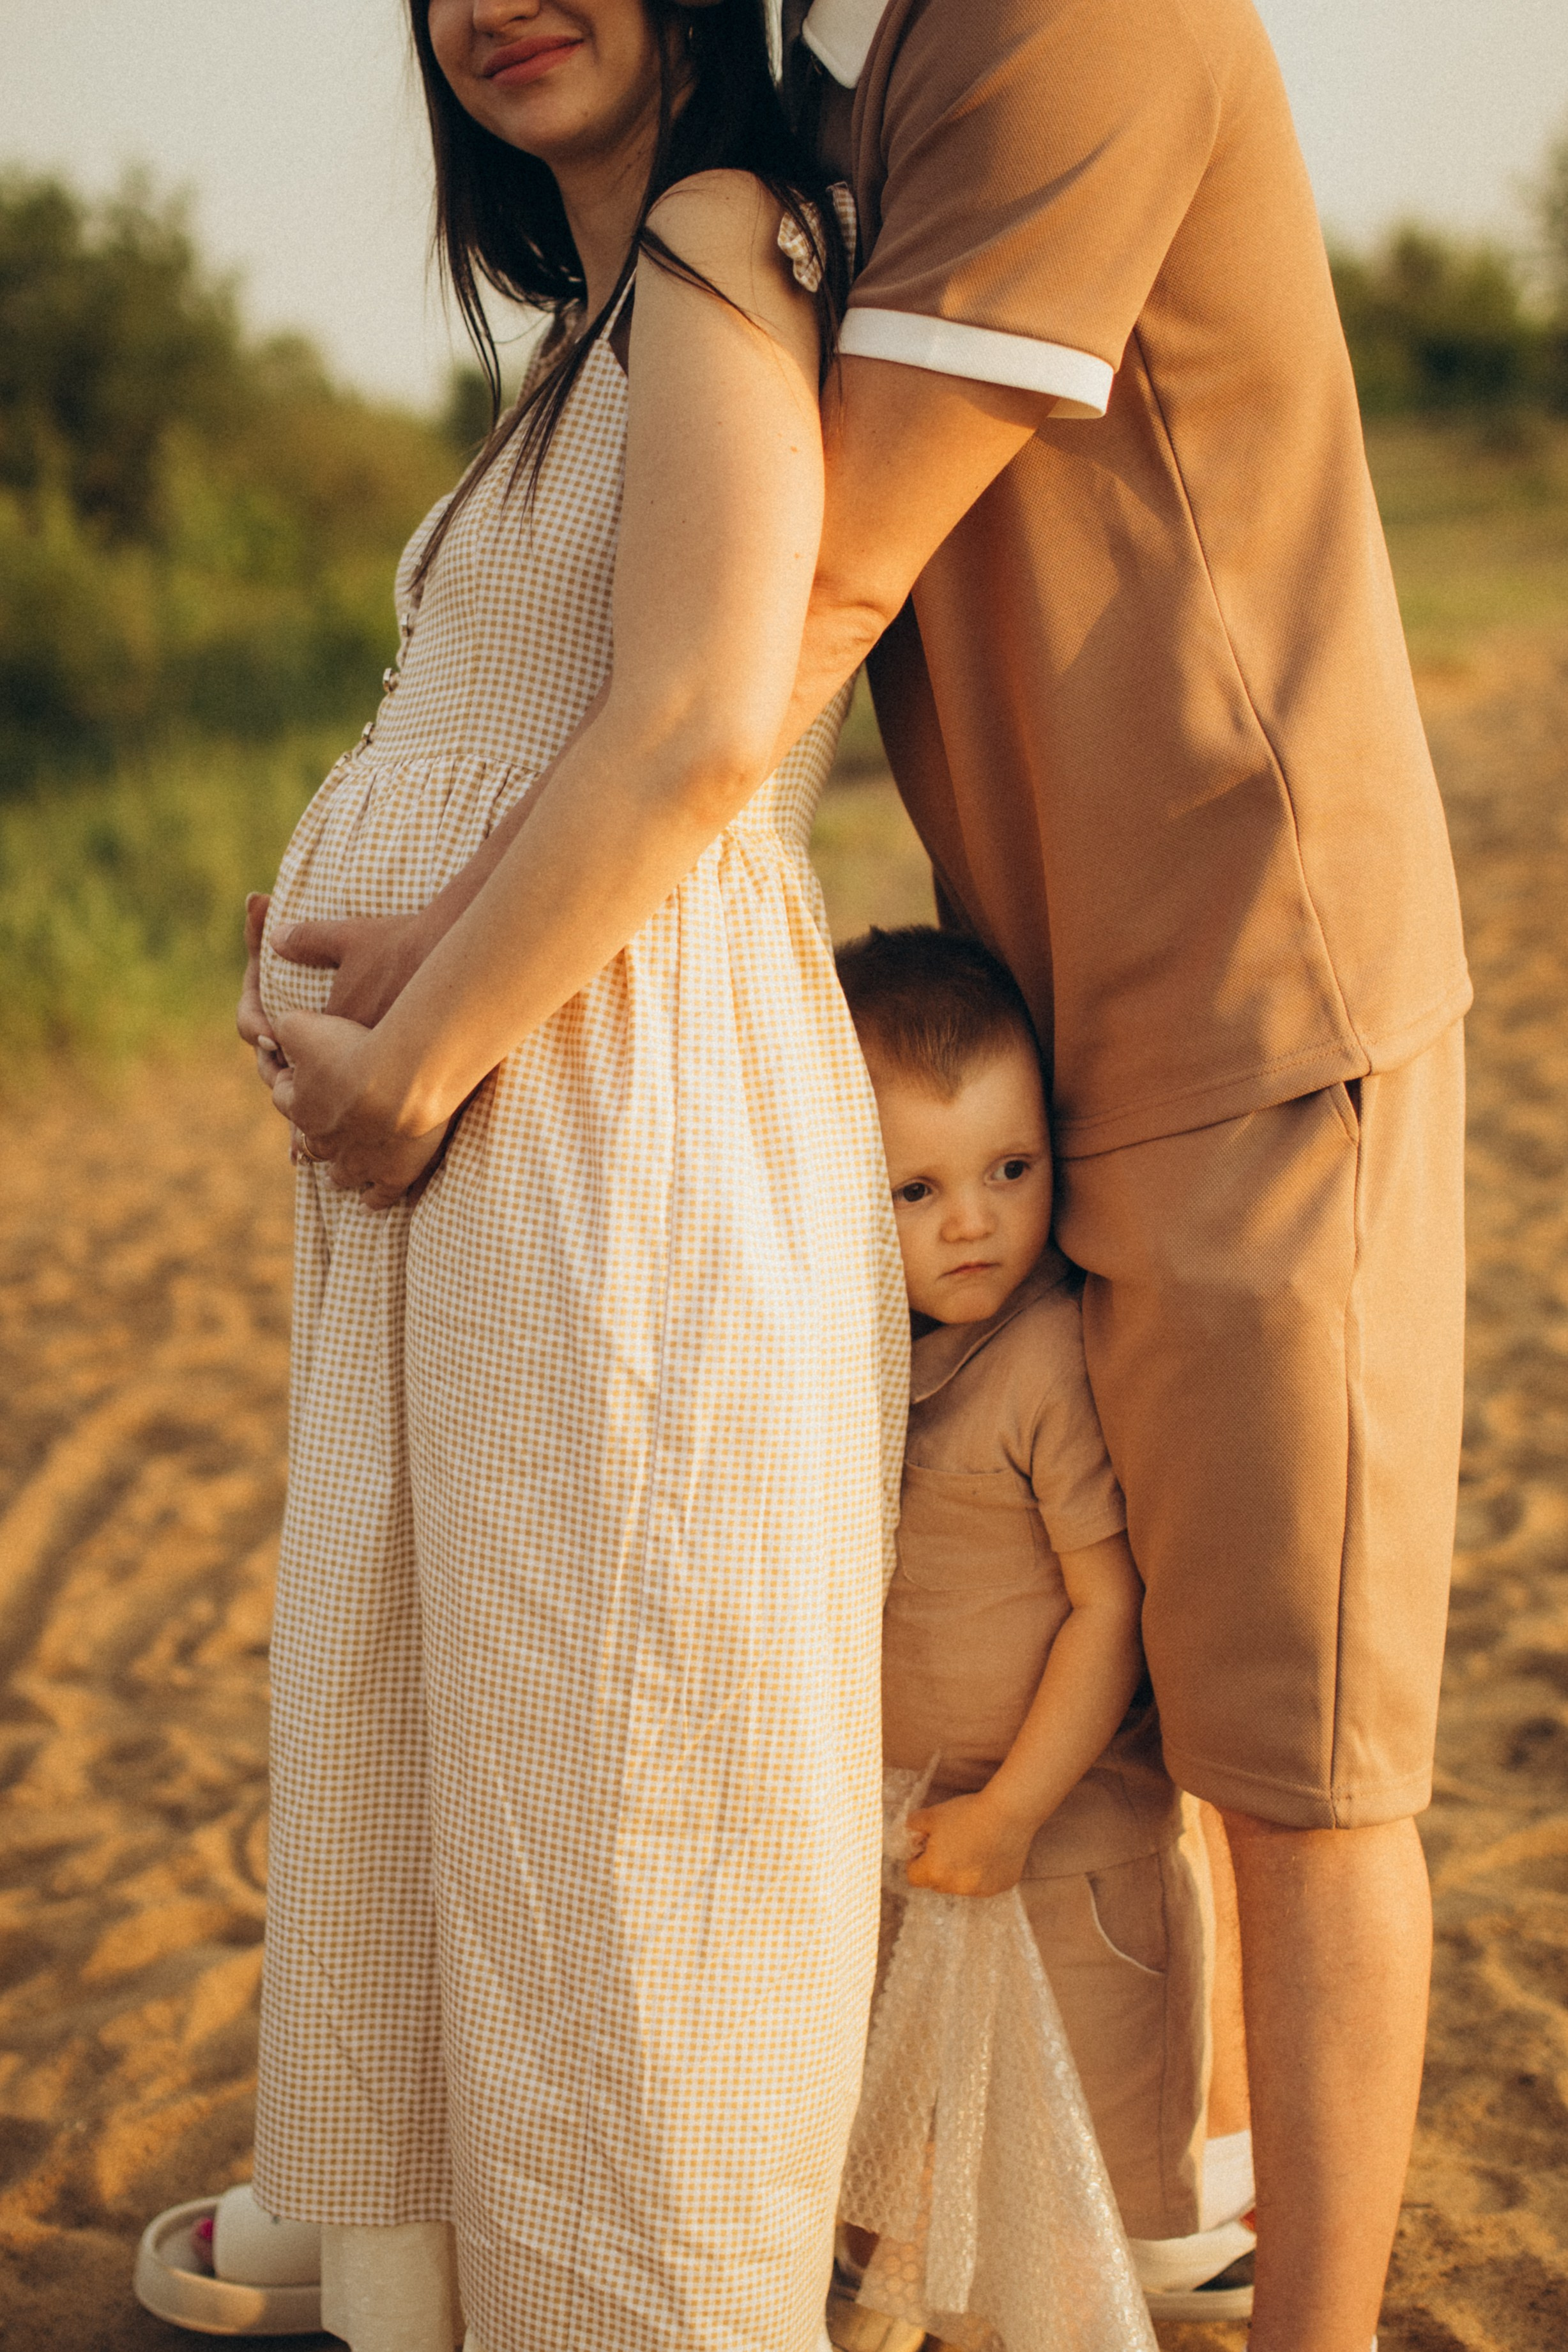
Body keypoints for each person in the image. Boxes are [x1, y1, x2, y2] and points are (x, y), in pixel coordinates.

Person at [259, 6, 1469, 2347]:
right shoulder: (830, 86)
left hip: (1244, 986)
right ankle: (1102, 2204)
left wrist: (440, 974)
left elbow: (793, 613)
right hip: (1016, 1005)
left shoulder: (1053, 21)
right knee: (1027, 1660)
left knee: (1297, 1743)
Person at [148, 6, 911, 2350]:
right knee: (490, 1758)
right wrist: (377, 933)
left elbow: (693, 722)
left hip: (603, 1116)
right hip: (520, 1115)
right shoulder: (594, 316)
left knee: (621, 1785)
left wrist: (414, 1067)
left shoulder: (708, 238)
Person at [828, 927, 1255, 2349]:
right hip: (921, 1837)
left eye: (1010, 1169)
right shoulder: (869, 1354)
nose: (973, 1221)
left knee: (1059, 2190)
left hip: (1061, 1846)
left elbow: (1109, 1602)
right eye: (917, 1187)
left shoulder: (1045, 1357)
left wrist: (1015, 1805)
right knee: (915, 2161)